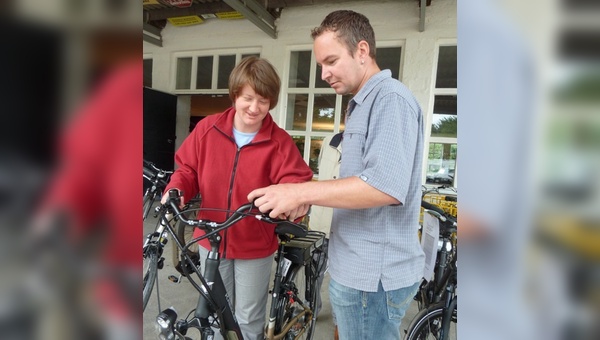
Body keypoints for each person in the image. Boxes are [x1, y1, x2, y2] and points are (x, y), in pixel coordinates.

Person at [249, 10, 425, 340]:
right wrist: (309, 202)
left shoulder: (390, 99)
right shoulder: (358, 103)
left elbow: (384, 187)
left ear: (362, 51)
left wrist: (301, 192)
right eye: (320, 65)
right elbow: (358, 183)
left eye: (330, 61)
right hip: (354, 268)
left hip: (373, 278)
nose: (324, 73)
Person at [161, 56, 313, 340]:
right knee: (216, 314)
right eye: (248, 98)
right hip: (209, 238)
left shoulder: (279, 142)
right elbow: (188, 169)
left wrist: (293, 204)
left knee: (247, 320)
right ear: (234, 95)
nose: (255, 108)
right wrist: (176, 189)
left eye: (264, 101)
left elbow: (297, 184)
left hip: (254, 245)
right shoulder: (207, 129)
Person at [309, 132, 342, 340]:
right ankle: (312, 309)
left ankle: (341, 322)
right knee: (313, 273)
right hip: (320, 223)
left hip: (344, 226)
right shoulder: (330, 142)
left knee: (341, 280)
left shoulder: (365, 143)